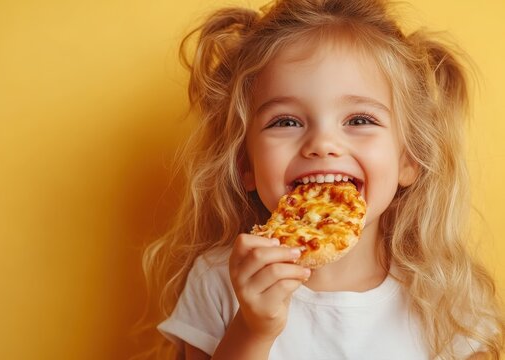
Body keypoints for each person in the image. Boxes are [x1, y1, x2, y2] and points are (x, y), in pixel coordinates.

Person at [142, 0, 505, 358]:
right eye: (286, 122)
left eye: (360, 120)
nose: (322, 144)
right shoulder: (218, 280)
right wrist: (252, 330)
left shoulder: (449, 300)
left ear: (409, 158)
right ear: (245, 164)